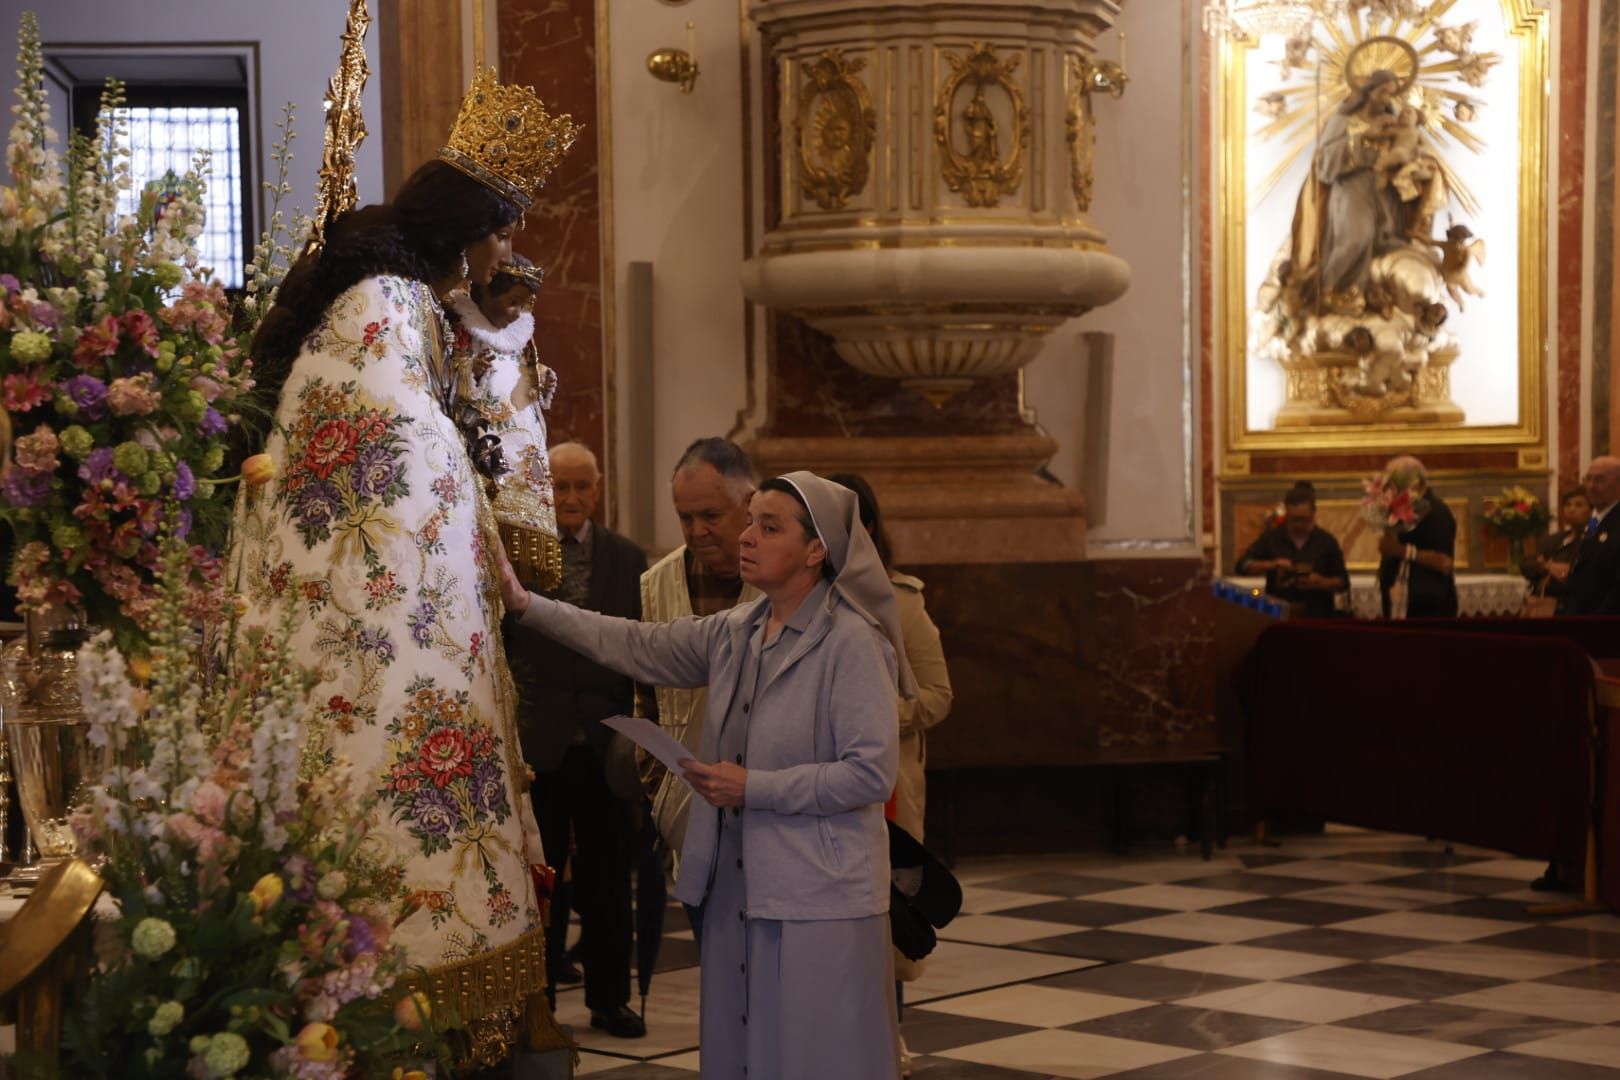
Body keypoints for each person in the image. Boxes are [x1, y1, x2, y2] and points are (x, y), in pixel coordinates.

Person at [235, 68, 577, 1065]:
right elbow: (410, 471)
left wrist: (495, 340)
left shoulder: (393, 302)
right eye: (504, 232)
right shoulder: (384, 308)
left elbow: (452, 440)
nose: (511, 253)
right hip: (380, 618)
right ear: (469, 230)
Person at [499, 471, 908, 1080]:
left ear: (816, 550)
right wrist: (528, 605)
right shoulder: (739, 629)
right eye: (750, 522)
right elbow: (635, 643)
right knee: (745, 1051)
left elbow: (870, 773)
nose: (747, 538)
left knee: (814, 1055)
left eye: (769, 528)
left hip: (819, 898)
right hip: (738, 884)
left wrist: (754, 788)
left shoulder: (852, 643)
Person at [505, 440, 648, 1038]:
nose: (569, 498)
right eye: (558, 486)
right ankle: (539, 1005)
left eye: (580, 486)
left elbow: (643, 647)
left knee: (608, 877)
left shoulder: (628, 557)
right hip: (540, 741)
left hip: (605, 742)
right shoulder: (518, 555)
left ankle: (609, 999)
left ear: (597, 488)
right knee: (540, 878)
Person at [827, 472, 952, 1077]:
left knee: (884, 921)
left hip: (885, 790)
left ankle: (886, 1050)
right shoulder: (791, 597)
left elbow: (937, 694)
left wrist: (870, 716)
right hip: (814, 788)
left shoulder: (900, 601)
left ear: (866, 529)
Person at [636, 438, 761, 921]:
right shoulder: (657, 583)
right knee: (718, 977)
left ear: (748, 504)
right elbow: (645, 699)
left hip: (770, 811)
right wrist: (661, 793)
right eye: (685, 518)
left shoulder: (785, 575)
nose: (697, 531)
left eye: (711, 515)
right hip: (689, 818)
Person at [447, 255, 561, 591]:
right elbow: (447, 380)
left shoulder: (521, 334)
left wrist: (540, 380)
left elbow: (523, 378)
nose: (517, 312)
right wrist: (471, 372)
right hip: (483, 438)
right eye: (512, 302)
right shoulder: (461, 327)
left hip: (521, 442)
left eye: (524, 304)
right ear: (485, 295)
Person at [1234, 482, 1350, 618]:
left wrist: (1321, 582)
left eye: (1303, 520)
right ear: (1287, 514)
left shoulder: (1326, 542)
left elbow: (1343, 582)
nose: (1298, 525)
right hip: (1279, 617)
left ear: (1313, 513)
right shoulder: (1272, 538)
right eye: (1293, 519)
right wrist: (1272, 565)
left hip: (1318, 617)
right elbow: (1242, 566)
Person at [1377, 455, 1458, 618]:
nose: (1388, 489)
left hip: (1428, 604)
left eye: (1393, 484)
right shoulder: (1400, 510)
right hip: (1400, 599)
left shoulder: (1436, 511)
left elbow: (1444, 562)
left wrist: (1401, 551)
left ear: (1413, 483)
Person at [1561, 457, 1620, 616]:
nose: (1591, 486)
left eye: (1600, 479)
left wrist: (1596, 620)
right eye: (1588, 479)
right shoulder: (1593, 521)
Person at [1524, 486, 1591, 600]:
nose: (1571, 509)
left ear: (1591, 511)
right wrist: (1547, 566)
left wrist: (1544, 564)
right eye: (1568, 504)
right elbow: (1526, 565)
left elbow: (1568, 574)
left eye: (1578, 505)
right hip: (1542, 600)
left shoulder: (1590, 540)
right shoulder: (1553, 539)